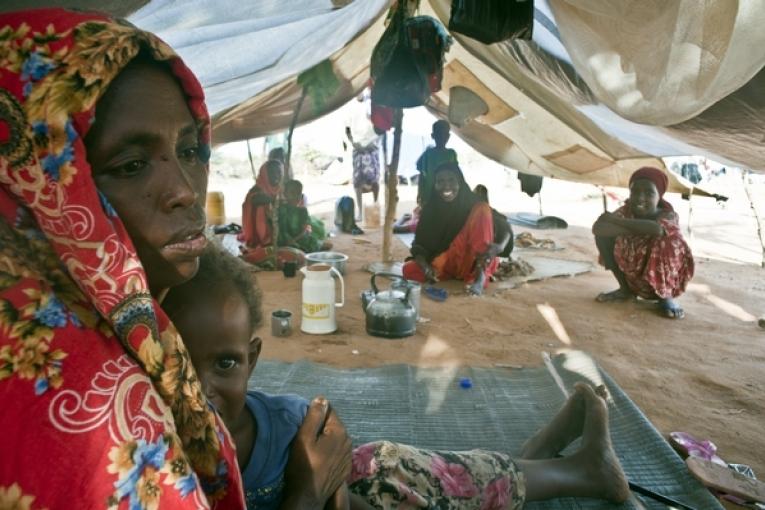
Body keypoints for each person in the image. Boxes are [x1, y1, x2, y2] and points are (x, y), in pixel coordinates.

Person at [0, 9, 349, 508]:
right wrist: (306, 495)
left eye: (191, 151)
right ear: (47, 187)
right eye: (133, 164)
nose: (186, 192)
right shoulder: (83, 397)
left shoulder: (139, 331)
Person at [165, 246, 631, 510]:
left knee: (431, 474)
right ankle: (553, 467)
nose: (199, 388)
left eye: (224, 364)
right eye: (176, 363)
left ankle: (561, 470)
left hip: (364, 483)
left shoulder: (287, 425)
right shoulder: (144, 457)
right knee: (453, 489)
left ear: (251, 359)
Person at [592, 166, 695, 319]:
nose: (640, 198)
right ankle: (625, 290)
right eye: (635, 192)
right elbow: (598, 229)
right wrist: (636, 229)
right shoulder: (626, 212)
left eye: (649, 193)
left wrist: (616, 222)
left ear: (659, 196)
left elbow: (657, 229)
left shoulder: (667, 214)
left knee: (667, 241)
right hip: (634, 276)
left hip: (660, 280)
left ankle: (665, 297)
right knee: (604, 237)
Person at [403, 163, 501, 296]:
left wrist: (497, 247)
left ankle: (480, 275)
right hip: (446, 263)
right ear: (435, 185)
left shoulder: (472, 202)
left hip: (472, 260)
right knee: (409, 270)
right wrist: (424, 265)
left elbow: (504, 228)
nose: (446, 186)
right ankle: (452, 275)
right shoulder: (430, 209)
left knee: (483, 208)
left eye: (451, 180)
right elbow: (419, 244)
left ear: (460, 181)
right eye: (440, 181)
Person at [241, 159, 282, 261]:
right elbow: (255, 200)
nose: (276, 175)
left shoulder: (281, 189)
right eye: (273, 172)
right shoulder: (256, 190)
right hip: (258, 233)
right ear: (265, 174)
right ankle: (264, 239)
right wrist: (272, 199)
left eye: (279, 172)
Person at [278, 179, 331, 253]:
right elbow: (282, 230)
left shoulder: (302, 211)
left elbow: (305, 230)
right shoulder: (282, 209)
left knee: (327, 245)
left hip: (300, 240)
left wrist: (295, 240)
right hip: (285, 242)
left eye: (298, 193)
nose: (296, 196)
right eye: (292, 193)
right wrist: (289, 241)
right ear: (285, 194)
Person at [415, 120, 459, 205]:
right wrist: (420, 193)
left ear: (448, 136)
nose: (442, 137)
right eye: (439, 134)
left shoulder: (451, 154)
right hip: (429, 195)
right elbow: (422, 176)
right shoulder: (428, 154)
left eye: (445, 134)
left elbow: (456, 175)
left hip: (447, 194)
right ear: (433, 136)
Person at [474, 184, 514, 258]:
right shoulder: (479, 211)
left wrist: (501, 246)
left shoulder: (486, 213)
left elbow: (507, 229)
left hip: (502, 247)